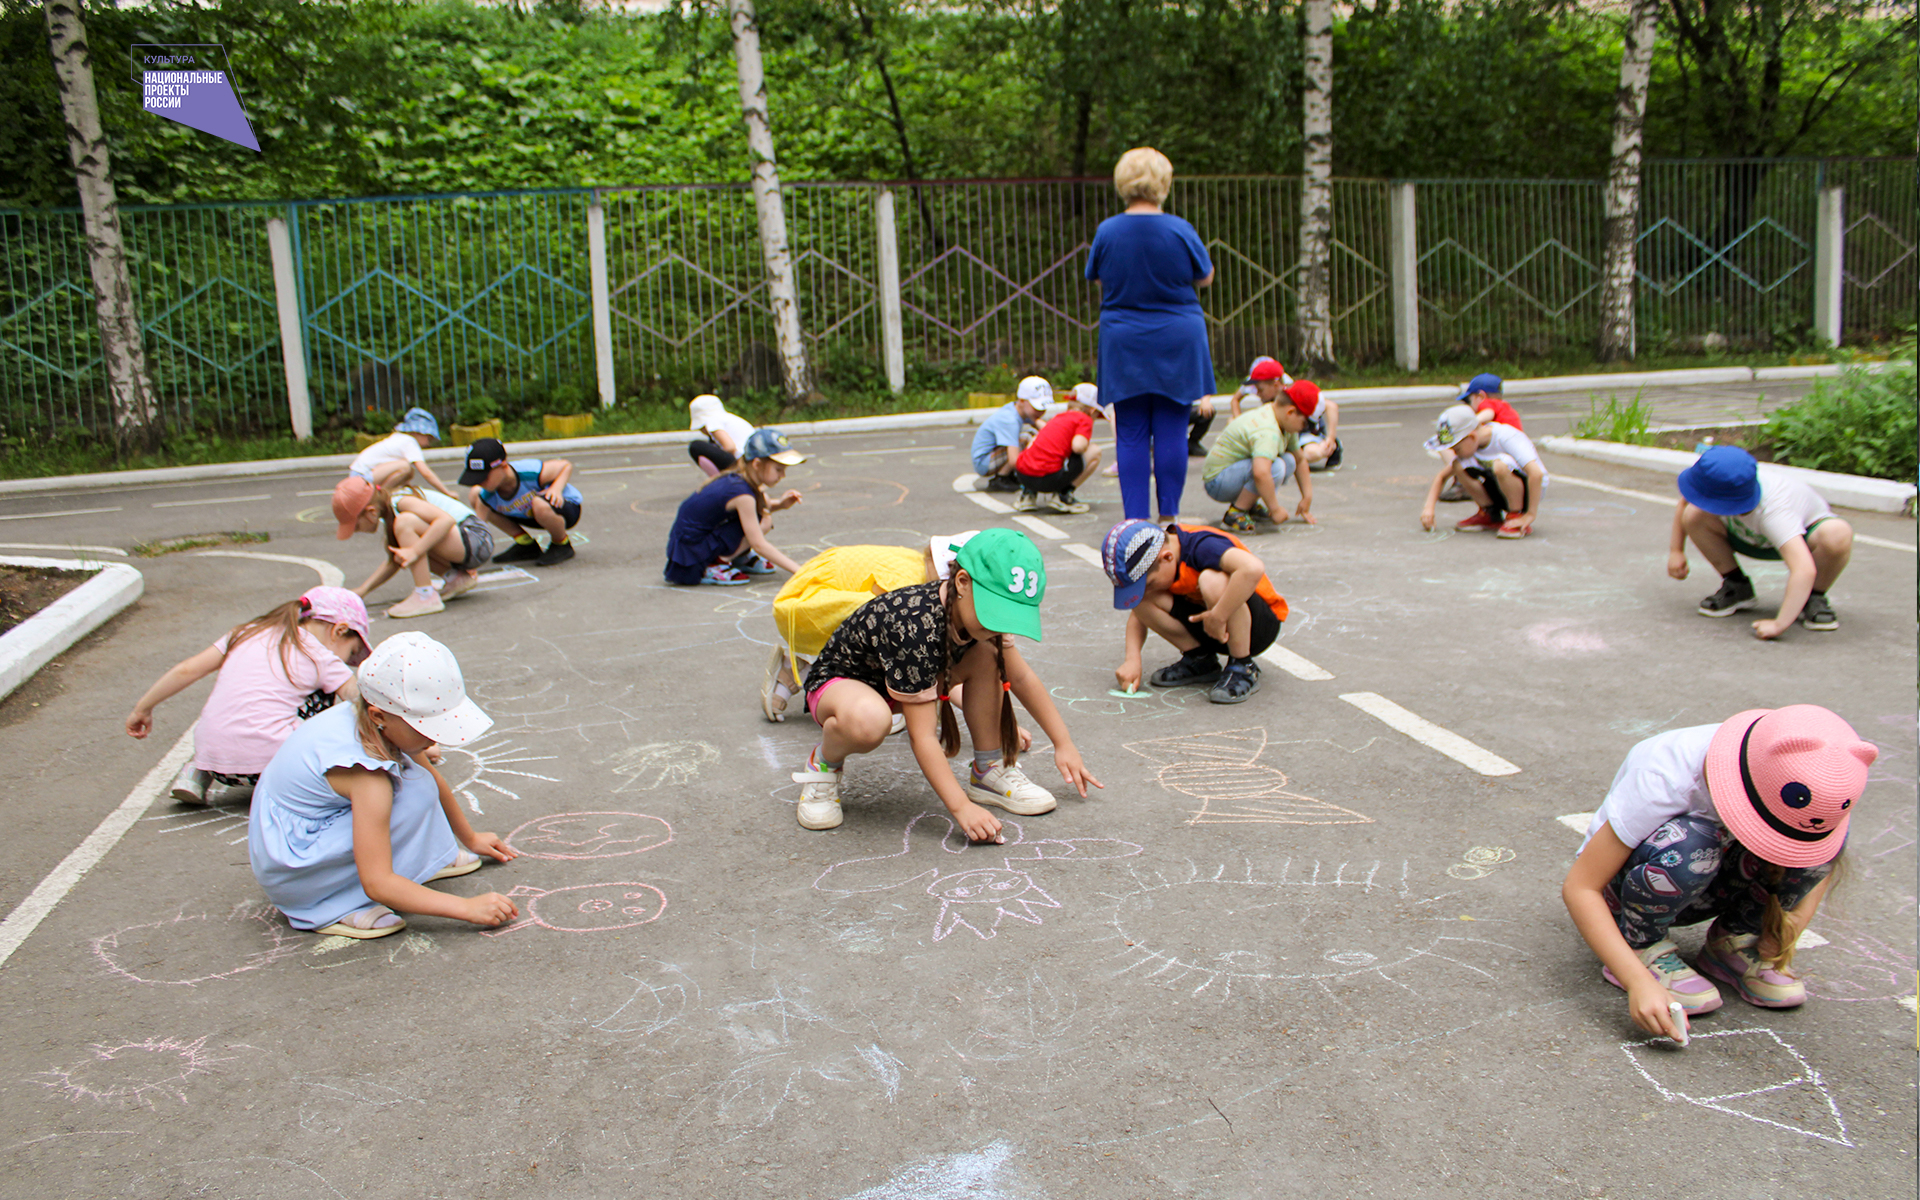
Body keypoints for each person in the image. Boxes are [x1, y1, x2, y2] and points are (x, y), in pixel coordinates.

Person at [1561, 705, 1875, 1038]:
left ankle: (1734, 941)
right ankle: (1640, 944)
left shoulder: (1820, 783)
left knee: (1809, 848)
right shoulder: (1666, 774)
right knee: (1693, 843)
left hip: (1714, 876)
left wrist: (1781, 934)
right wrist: (1635, 981)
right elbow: (1581, 887)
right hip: (1635, 887)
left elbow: (1820, 858)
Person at [790, 529, 1101, 839]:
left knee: (989, 654)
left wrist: (1064, 743)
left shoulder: (982, 617)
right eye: (997, 610)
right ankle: (824, 766)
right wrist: (961, 808)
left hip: (909, 682)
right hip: (844, 685)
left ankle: (988, 769)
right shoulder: (913, 624)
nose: (1002, 622)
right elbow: (923, 736)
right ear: (962, 582)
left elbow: (1021, 677)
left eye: (1011, 613)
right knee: (870, 721)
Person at [248, 632, 520, 939]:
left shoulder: (372, 719)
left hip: (305, 830)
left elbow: (433, 778)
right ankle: (334, 906)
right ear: (380, 716)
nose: (435, 738)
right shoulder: (366, 776)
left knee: (418, 783)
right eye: (427, 727)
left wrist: (470, 838)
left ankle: (423, 858)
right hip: (298, 868)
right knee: (402, 795)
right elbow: (377, 882)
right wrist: (466, 908)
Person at [126, 587, 372, 806]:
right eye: (351, 652)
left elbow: (188, 669)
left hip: (215, 759)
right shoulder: (320, 655)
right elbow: (359, 699)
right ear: (339, 630)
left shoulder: (245, 632)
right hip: (275, 765)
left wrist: (142, 709)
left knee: (238, 694)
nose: (345, 662)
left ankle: (196, 773)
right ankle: (316, 777)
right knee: (328, 696)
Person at [1085, 147, 1216, 523]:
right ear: (1163, 183)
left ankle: (1135, 522)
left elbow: (1096, 275)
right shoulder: (1180, 228)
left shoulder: (1108, 230)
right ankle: (1170, 517)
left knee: (1130, 433)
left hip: (1124, 337)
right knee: (1173, 428)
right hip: (1177, 334)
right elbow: (1204, 275)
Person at [761, 532, 979, 723]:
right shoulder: (908, 589)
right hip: (805, 606)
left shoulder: (920, 569)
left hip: (818, 593)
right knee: (885, 626)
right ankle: (807, 669)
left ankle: (803, 668)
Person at [1669, 445, 1854, 637]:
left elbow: (1804, 569)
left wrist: (1779, 625)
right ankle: (1736, 585)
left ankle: (1813, 596)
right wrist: (1676, 550)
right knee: (1693, 514)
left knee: (1837, 534)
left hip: (1799, 540)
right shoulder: (1728, 481)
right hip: (1748, 535)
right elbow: (1686, 500)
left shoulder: (1775, 512)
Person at [1102, 517, 1288, 705]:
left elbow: (1252, 568)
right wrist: (1132, 659)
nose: (1146, 590)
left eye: (1148, 584)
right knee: (1141, 601)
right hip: (1212, 626)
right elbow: (1139, 615)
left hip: (1257, 626)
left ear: (1167, 557)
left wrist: (1218, 615)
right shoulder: (1162, 557)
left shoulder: (1203, 545)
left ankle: (1243, 665)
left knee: (1212, 581)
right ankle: (1201, 660)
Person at [664, 428, 808, 586]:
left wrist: (780, 504)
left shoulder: (739, 478)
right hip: (691, 555)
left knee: (760, 515)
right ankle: (715, 565)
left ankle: (734, 557)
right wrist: (801, 571)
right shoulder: (742, 494)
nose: (783, 475)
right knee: (763, 520)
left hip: (690, 543)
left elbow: (759, 506)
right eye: (778, 469)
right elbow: (759, 544)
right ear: (757, 464)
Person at [335, 477, 494, 619]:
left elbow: (445, 520)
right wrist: (363, 590)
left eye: (355, 525)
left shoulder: (401, 501)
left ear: (371, 512)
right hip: (465, 543)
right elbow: (394, 561)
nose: (356, 531)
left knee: (406, 523)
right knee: (403, 543)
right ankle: (455, 578)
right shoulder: (391, 513)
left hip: (476, 539)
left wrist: (415, 550)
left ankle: (425, 596)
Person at [1199, 366, 1313, 533]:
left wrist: (1307, 497)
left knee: (1288, 461)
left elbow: (1300, 459)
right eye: (1304, 424)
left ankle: (1248, 504)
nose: (1303, 429)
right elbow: (1261, 473)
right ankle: (1236, 513)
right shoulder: (1268, 430)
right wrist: (1275, 509)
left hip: (1232, 473)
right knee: (1275, 467)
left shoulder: (1283, 420)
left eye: (1260, 389)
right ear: (1290, 412)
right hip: (1218, 481)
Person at [1419, 403, 1547, 539]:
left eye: (1457, 449)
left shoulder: (1506, 437)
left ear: (1472, 437)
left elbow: (1536, 474)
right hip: (1501, 490)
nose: (1454, 452)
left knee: (1501, 465)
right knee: (1458, 465)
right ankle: (1490, 513)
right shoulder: (1472, 446)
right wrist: (1429, 508)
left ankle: (1516, 514)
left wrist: (1530, 515)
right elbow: (1442, 476)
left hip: (1530, 491)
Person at [459, 437, 583, 567]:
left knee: (539, 504)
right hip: (529, 515)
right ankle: (526, 544)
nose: (480, 482)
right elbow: (480, 527)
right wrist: (466, 557)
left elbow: (565, 465)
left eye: (484, 476)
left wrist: (556, 489)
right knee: (475, 495)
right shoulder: (487, 493)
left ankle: (561, 543)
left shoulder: (530, 472)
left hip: (562, 510)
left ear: (503, 466)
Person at [1013, 390, 1104, 514]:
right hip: (1048, 479)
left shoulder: (1058, 417)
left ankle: (1027, 494)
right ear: (1092, 411)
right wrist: (1085, 441)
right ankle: (1063, 496)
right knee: (1094, 451)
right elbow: (1078, 446)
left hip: (1023, 475)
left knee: (1039, 445)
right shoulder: (1084, 419)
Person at [1437, 375, 1523, 502]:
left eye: (1468, 401)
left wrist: (1470, 423)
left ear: (1480, 396)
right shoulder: (1506, 408)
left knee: (1449, 444)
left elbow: (1488, 414)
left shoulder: (1488, 405)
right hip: (1511, 459)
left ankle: (1461, 482)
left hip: (1500, 458)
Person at [345, 407, 457, 498]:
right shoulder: (409, 442)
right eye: (429, 437)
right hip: (361, 478)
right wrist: (447, 492)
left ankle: (387, 492)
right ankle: (382, 495)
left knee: (408, 472)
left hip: (359, 477)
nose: (429, 443)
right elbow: (426, 472)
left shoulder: (399, 438)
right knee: (405, 466)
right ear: (418, 432)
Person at [970, 377, 1049, 492]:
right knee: (1027, 437)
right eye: (1036, 407)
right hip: (984, 462)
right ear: (1022, 401)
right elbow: (1014, 460)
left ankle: (1008, 475)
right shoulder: (1010, 420)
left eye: (1044, 407)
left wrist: (1036, 420)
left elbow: (1046, 429)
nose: (1041, 412)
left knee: (1031, 435)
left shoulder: (1016, 409)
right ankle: (1002, 477)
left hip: (991, 456)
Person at [688, 393, 757, 478]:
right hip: (754, 461)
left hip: (742, 462)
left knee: (696, 446)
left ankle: (721, 479)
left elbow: (730, 447)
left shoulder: (713, 421)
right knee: (712, 444)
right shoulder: (730, 418)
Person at [1289, 379, 1344, 472]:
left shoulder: (1307, 400)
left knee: (1311, 453)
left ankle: (1333, 446)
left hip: (1307, 436)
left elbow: (1332, 406)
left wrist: (1331, 437)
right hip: (1291, 434)